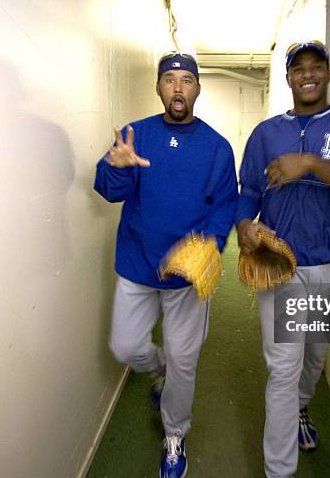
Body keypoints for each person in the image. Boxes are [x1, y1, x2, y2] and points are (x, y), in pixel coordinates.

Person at [235, 40, 330, 478]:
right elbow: (247, 191)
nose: (307, 74)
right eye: (298, 67)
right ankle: (279, 470)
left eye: (315, 66)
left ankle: (303, 408)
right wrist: (245, 226)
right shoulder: (266, 134)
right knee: (283, 367)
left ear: (327, 73)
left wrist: (311, 163)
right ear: (287, 77)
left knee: (315, 357)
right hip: (277, 264)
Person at [94, 52, 238, 478]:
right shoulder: (135, 135)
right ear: (158, 87)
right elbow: (108, 189)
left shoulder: (216, 146)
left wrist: (211, 243)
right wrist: (116, 168)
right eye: (170, 79)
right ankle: (158, 371)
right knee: (126, 348)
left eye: (187, 80)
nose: (178, 87)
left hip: (186, 276)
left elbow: (225, 204)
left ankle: (174, 434)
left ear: (197, 88)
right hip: (137, 265)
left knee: (185, 360)